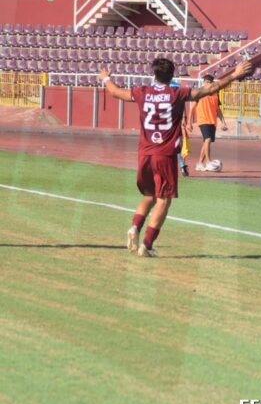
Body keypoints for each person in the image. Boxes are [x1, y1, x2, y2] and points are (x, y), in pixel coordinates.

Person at [98, 59, 252, 257]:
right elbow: (209, 89)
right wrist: (234, 75)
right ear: (172, 75)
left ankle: (135, 227)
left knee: (149, 195)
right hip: (165, 154)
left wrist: (106, 78)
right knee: (164, 200)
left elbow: (116, 92)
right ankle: (147, 244)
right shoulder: (177, 94)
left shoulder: (142, 92)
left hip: (144, 154)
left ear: (154, 75)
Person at [188, 74, 230, 173]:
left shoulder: (215, 93)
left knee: (206, 142)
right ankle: (208, 161)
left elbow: (218, 109)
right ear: (203, 83)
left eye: (210, 82)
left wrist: (223, 122)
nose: (208, 84)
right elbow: (192, 109)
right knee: (208, 139)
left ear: (212, 83)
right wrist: (189, 123)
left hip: (212, 121)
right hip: (203, 120)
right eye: (206, 82)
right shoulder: (199, 92)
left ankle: (199, 164)